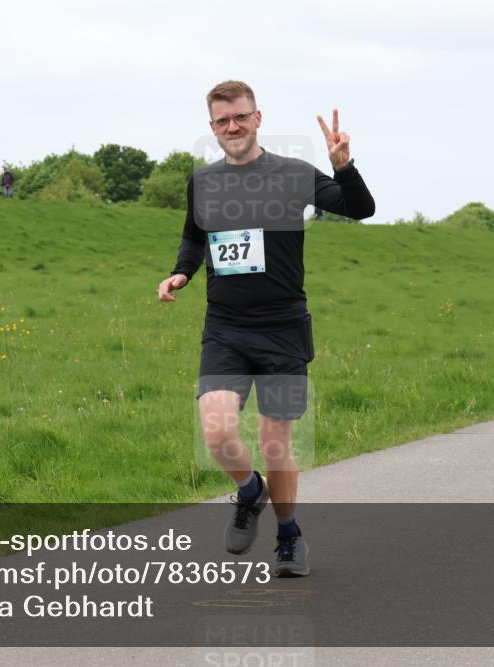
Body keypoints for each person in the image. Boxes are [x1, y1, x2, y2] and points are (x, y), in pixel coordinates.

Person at [157, 81, 374, 577]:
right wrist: (182, 273)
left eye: (240, 117)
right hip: (226, 329)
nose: (231, 127)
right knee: (216, 432)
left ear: (258, 119)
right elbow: (194, 236)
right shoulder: (203, 183)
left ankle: (289, 536)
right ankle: (249, 490)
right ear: (211, 128)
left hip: (282, 329)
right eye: (221, 121)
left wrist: (343, 165)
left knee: (277, 444)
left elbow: (360, 209)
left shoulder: (294, 174)